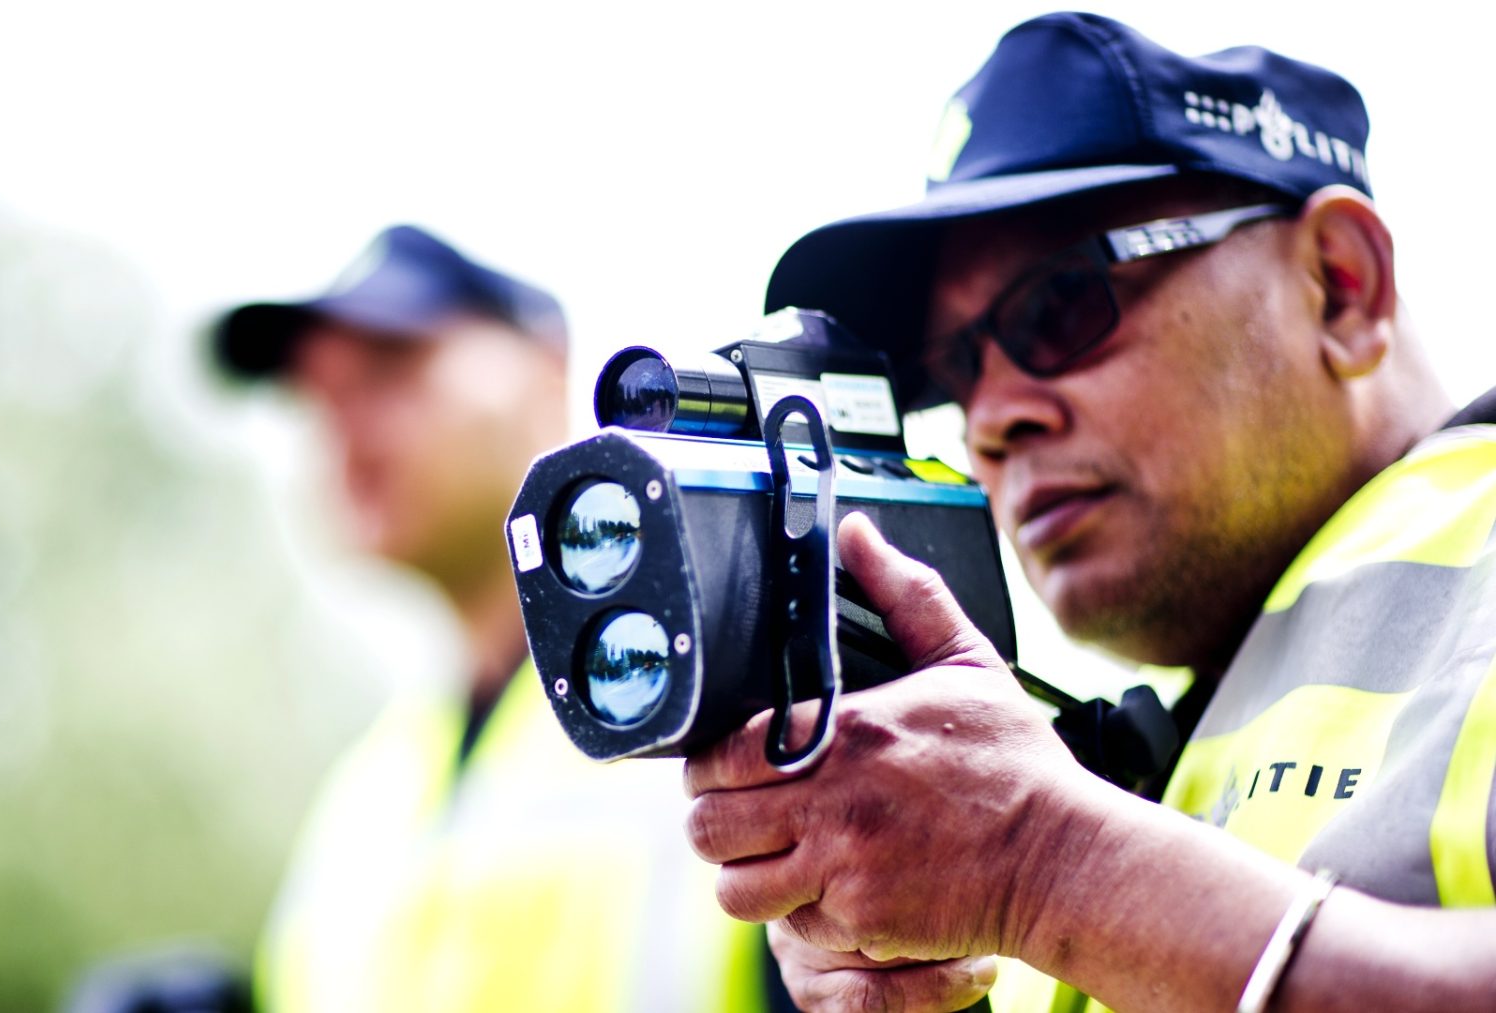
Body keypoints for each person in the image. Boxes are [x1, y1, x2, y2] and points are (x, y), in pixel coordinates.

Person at [680, 13, 1496, 1013]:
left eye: (1060, 304)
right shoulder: (1116, 765)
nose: (991, 417)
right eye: (954, 372)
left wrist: (1051, 866)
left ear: (1341, 285)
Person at [213, 225, 773, 1011]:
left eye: (387, 366)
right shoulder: (363, 798)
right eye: (320, 396)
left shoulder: (726, 703)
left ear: (548, 369)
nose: (343, 423)